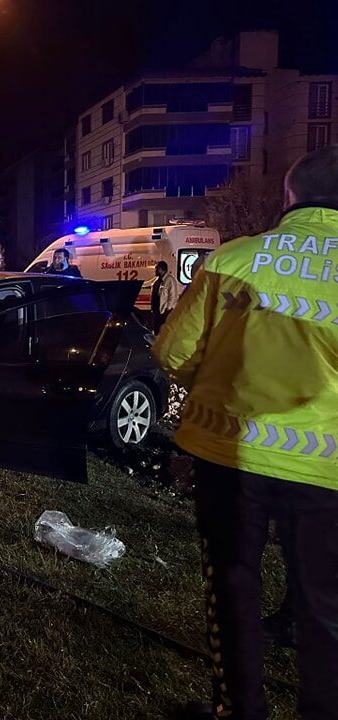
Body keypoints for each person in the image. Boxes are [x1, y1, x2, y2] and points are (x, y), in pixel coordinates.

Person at [153, 146, 338, 720]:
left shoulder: (234, 259)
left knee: (232, 588)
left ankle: (239, 710)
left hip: (229, 452)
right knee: (325, 603)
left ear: (289, 198)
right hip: (327, 467)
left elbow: (173, 354)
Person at [151, 260, 180, 334]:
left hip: (164, 311)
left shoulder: (170, 280)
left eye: (156, 269)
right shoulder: (157, 280)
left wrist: (168, 309)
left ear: (161, 269)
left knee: (163, 331)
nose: (155, 271)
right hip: (156, 310)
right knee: (156, 330)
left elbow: (172, 296)